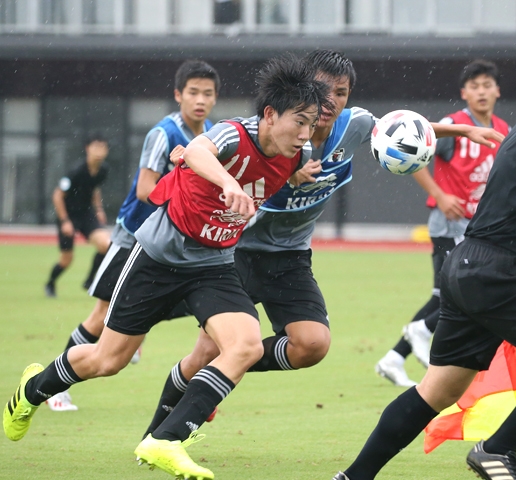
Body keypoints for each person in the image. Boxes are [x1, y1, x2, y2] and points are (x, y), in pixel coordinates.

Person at [140, 50, 507, 439]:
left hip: (290, 256)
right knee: (205, 354)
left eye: (342, 92)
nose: (331, 100)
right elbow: (231, 150)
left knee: (312, 345)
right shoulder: (280, 134)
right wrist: (279, 174)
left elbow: (397, 129)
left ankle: (227, 369)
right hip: (239, 253)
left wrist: (463, 131)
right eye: (323, 90)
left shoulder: (355, 124)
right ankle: (157, 434)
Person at [3, 54, 332, 480]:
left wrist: (293, 177)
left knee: (246, 345)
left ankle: (166, 439)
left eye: (311, 125)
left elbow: (265, 171)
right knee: (108, 360)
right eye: (299, 122)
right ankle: (32, 390)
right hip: (157, 258)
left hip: (214, 265)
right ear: (269, 115)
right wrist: (228, 181)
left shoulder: (294, 153)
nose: (306, 134)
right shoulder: (234, 133)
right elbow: (199, 149)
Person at [332, 25, 516, 480]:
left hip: (465, 265)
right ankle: (497, 449)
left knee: (436, 391)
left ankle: (352, 476)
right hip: (497, 273)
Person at [45, 59, 220, 412]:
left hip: (171, 243)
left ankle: (146, 340)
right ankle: (55, 386)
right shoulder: (163, 133)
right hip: (133, 238)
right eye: (193, 92)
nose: (200, 100)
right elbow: (144, 189)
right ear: (178, 95)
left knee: (202, 304)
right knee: (100, 316)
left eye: (208, 93)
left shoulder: (212, 134)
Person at [376, 60, 509, 387]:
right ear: (464, 93)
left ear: (497, 91)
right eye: (474, 86)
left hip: (478, 227)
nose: (481, 91)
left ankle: (394, 357)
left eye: (486, 85)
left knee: (446, 294)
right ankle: (418, 337)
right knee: (462, 292)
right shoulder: (453, 126)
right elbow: (413, 155)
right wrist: (440, 193)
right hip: (450, 223)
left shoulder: (501, 129)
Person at [45, 134, 111, 298]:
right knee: (67, 259)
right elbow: (57, 195)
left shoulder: (103, 169)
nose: (99, 151)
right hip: (69, 215)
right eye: (96, 146)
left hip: (87, 214)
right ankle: (51, 283)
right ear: (87, 149)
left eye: (102, 147)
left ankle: (89, 281)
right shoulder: (76, 171)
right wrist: (65, 221)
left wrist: (99, 209)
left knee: (106, 245)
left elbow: (94, 188)